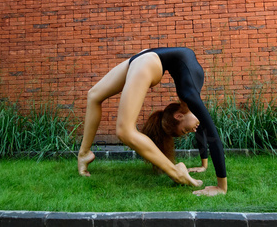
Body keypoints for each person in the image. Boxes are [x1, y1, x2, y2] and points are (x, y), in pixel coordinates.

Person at [77, 47, 227, 196]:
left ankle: (84, 153)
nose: (193, 130)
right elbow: (213, 137)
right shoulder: (190, 96)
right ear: (178, 116)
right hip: (148, 61)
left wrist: (203, 165)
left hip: (146, 55)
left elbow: (201, 127)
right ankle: (176, 172)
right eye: (185, 131)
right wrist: (221, 187)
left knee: (94, 96)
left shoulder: (190, 103)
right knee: (125, 131)